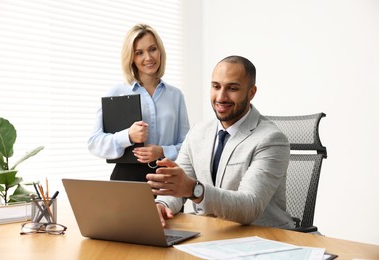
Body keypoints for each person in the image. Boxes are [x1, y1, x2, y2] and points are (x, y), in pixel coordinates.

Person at [147, 55, 295, 229]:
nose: (221, 97)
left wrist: (194, 190)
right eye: (216, 87)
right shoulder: (197, 132)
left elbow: (250, 206)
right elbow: (177, 185)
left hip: (262, 238)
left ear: (251, 93)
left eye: (232, 88)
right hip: (210, 234)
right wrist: (163, 205)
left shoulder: (271, 139)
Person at [87, 24, 190, 181]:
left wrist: (162, 151)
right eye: (139, 53)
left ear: (160, 51)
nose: (148, 57)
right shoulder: (116, 93)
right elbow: (94, 143)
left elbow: (187, 146)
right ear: (131, 58)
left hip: (167, 177)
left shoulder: (175, 95)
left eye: (152, 49)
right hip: (126, 179)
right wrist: (127, 136)